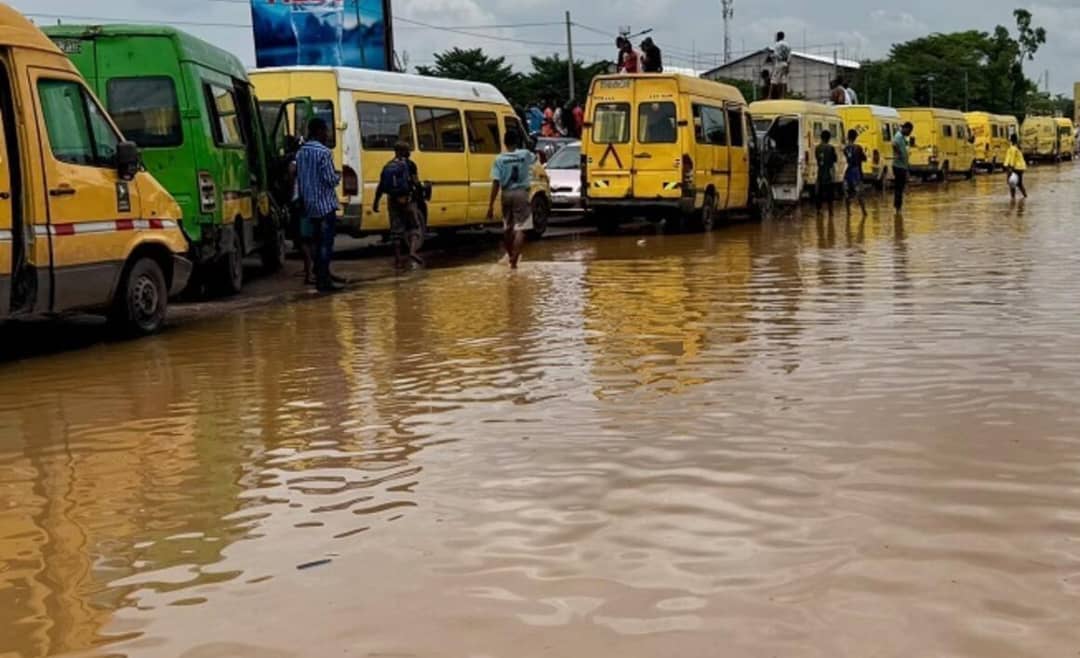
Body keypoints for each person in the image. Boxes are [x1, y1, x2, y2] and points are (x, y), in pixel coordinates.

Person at [296, 117, 342, 292]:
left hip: (308, 205)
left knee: (315, 242)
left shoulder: (301, 152)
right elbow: (329, 179)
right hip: (325, 205)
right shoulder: (324, 152)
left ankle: (320, 277)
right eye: (326, 130)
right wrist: (339, 176)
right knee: (325, 244)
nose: (327, 134)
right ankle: (324, 282)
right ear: (319, 131)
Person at [487, 129, 536, 269]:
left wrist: (490, 205)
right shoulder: (525, 155)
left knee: (508, 227)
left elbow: (496, 182)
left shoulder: (499, 159)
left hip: (506, 193)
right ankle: (514, 259)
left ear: (504, 142)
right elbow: (533, 154)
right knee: (522, 227)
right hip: (521, 193)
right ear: (517, 142)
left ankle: (510, 256)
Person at [374, 141, 424, 269]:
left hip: (393, 200)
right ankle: (412, 251)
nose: (410, 152)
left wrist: (376, 202)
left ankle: (397, 260)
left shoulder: (388, 166)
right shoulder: (410, 164)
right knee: (414, 227)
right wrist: (418, 196)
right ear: (402, 151)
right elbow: (415, 182)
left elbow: (381, 186)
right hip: (408, 200)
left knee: (396, 231)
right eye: (408, 150)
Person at [843, 129, 868, 216]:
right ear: (856, 137)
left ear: (847, 136)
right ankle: (864, 212)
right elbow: (864, 158)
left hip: (848, 171)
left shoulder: (845, 148)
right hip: (857, 171)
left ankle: (848, 213)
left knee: (848, 193)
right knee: (859, 192)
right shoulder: (858, 147)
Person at [892, 122, 914, 213]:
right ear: (906, 128)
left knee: (900, 188)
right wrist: (899, 154)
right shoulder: (898, 136)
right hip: (898, 166)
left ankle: (898, 207)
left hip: (902, 166)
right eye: (909, 131)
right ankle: (898, 208)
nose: (910, 133)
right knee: (899, 188)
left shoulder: (902, 137)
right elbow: (893, 144)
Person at [815, 130, 838, 214]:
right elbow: (835, 159)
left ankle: (819, 211)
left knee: (819, 193)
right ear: (828, 138)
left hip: (820, 173)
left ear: (821, 137)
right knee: (830, 194)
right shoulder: (831, 148)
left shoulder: (817, 148)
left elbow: (817, 159)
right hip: (828, 173)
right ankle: (830, 212)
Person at [1003, 133, 1028, 200]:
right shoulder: (1017, 148)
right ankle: (1024, 197)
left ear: (1010, 140)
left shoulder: (1013, 148)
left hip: (1015, 167)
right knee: (1018, 183)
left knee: (1013, 184)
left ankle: (1013, 199)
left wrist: (1010, 168)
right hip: (1020, 168)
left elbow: (1012, 158)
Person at [770, 31, 791, 99]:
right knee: (783, 80)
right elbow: (789, 56)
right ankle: (783, 96)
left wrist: (772, 56)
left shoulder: (777, 44)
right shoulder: (787, 45)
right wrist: (788, 65)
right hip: (785, 63)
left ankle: (770, 96)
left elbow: (776, 54)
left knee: (774, 80)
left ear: (778, 37)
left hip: (779, 63)